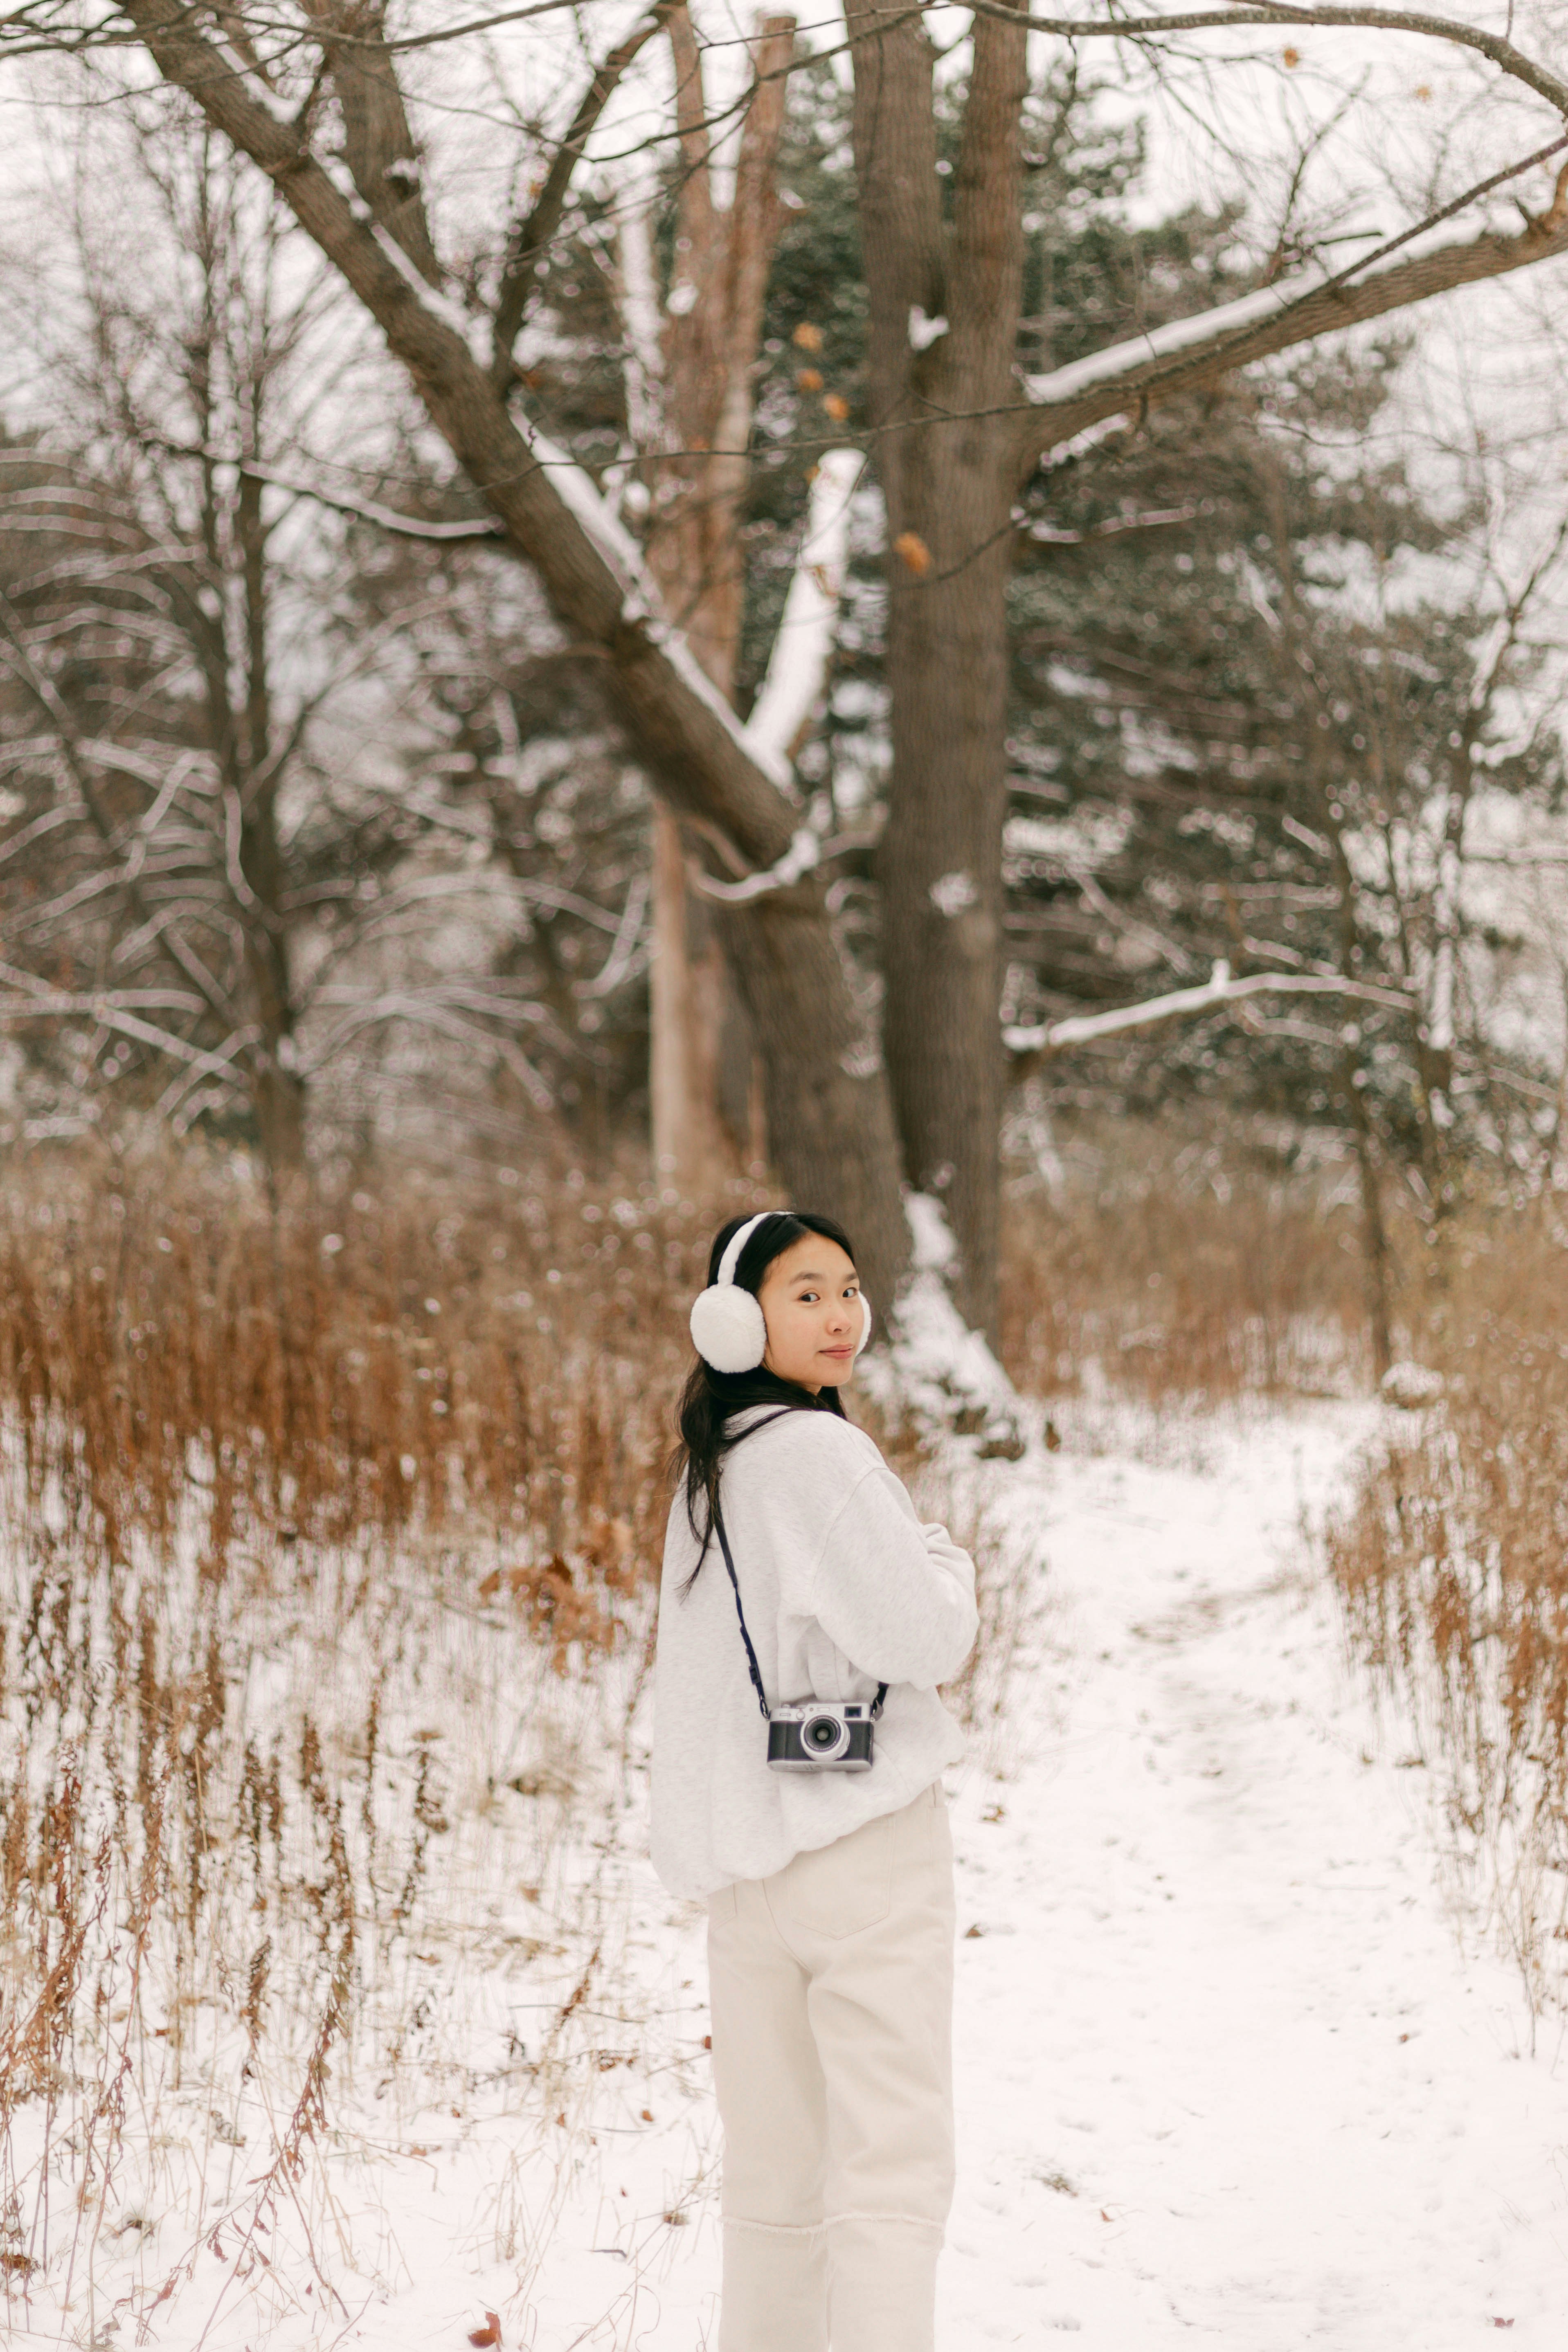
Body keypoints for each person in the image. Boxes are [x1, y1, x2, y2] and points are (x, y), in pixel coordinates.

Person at [650, 1207, 978, 2352]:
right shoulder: (821, 1456)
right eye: (805, 1293)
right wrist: (940, 1555)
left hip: (751, 1880)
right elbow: (927, 1641)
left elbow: (693, 1698)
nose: (841, 1314)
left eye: (847, 1287)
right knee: (890, 2170)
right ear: (734, 1320)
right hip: (866, 1858)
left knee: (776, 2187)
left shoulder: (712, 1468)